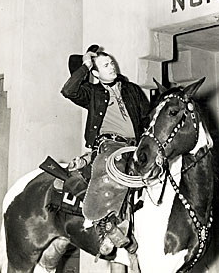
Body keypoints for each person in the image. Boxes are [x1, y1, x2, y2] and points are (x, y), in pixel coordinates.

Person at [61, 44, 150, 271]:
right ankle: (109, 228)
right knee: (113, 170)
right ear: (96, 73)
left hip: (136, 146)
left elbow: (146, 117)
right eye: (105, 65)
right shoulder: (92, 93)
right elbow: (69, 90)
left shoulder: (131, 89)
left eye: (112, 62)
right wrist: (86, 65)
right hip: (110, 144)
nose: (112, 67)